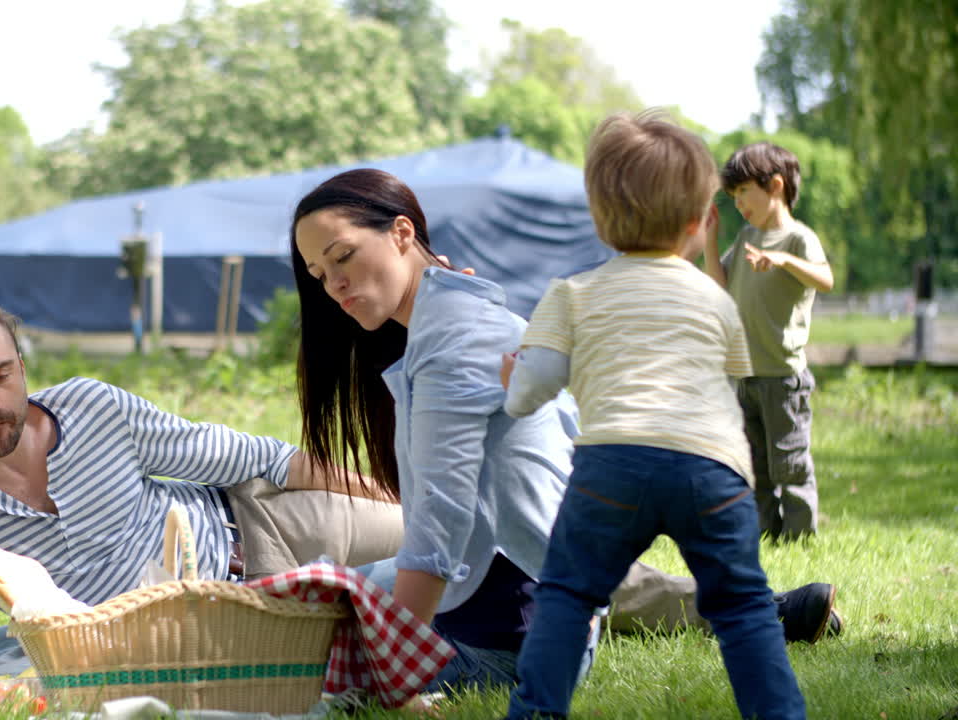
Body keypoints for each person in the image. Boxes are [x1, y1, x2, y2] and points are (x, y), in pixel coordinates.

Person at [289, 166, 836, 699]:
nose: (333, 284)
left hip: (520, 633)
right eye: (318, 274)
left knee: (303, 658)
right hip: (531, 582)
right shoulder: (454, 313)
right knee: (319, 602)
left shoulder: (452, 341)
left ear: (403, 232)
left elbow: (437, 533)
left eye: (342, 257)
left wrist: (396, 673)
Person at [0, 296, 405, 682]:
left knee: (439, 547)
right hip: (209, 632)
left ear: (22, 370)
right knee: (408, 606)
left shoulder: (93, 408)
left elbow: (255, 458)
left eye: (2, 375)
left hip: (258, 527)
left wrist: (387, 492)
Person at [502, 110, 805, 720]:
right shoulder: (714, 299)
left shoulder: (574, 293)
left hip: (611, 468)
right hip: (713, 473)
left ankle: (536, 713)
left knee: (567, 595)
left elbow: (531, 387)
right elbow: (734, 375)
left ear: (598, 216)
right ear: (698, 224)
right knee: (743, 607)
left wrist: (515, 383)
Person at [703, 141, 834, 540]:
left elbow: (825, 279)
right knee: (755, 465)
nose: (739, 203)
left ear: (775, 185)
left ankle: (799, 536)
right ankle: (765, 532)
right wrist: (709, 241)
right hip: (746, 375)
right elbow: (720, 286)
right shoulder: (745, 236)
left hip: (782, 377)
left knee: (789, 463)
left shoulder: (797, 238)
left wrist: (782, 261)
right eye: (733, 196)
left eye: (743, 192)